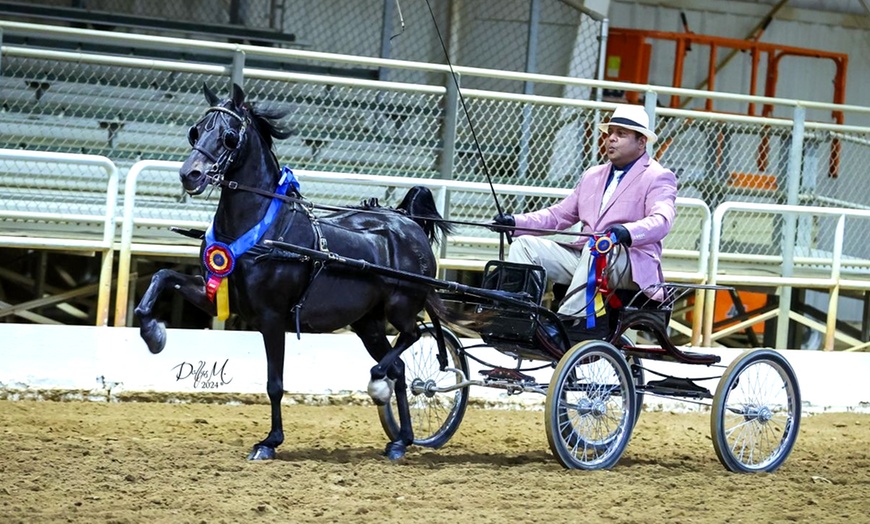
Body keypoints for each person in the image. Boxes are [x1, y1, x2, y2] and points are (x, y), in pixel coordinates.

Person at [492, 104, 677, 343]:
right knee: (524, 245)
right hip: (588, 255)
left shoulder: (658, 175)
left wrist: (626, 232)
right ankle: (519, 317)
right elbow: (559, 215)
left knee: (596, 249)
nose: (611, 139)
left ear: (641, 142)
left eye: (621, 134)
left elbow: (662, 220)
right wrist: (515, 222)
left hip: (630, 261)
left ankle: (569, 323)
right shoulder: (593, 175)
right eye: (610, 132)